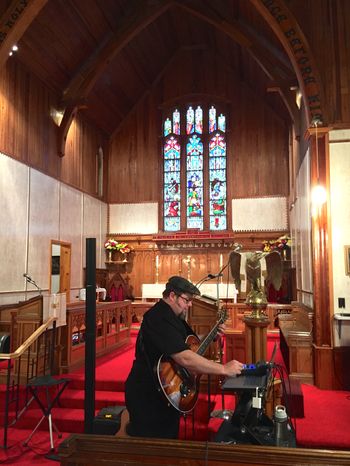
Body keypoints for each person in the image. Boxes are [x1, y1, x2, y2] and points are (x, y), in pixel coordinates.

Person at [124, 275, 244, 439]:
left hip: (166, 391)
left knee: (167, 442)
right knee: (151, 449)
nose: (190, 305)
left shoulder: (174, 316)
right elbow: (184, 358)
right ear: (172, 296)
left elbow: (189, 344)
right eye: (187, 300)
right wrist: (223, 369)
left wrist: (212, 335)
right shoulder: (158, 317)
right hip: (147, 396)